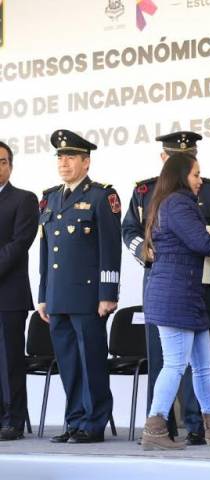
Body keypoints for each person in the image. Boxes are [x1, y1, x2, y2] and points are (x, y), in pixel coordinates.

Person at [121, 131, 210, 445]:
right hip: (175, 295)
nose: (200, 179)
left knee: (203, 366)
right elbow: (202, 242)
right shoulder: (176, 202)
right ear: (181, 174)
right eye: (195, 174)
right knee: (173, 364)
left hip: (192, 293)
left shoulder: (185, 198)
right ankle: (156, 428)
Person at [37, 130, 121, 444]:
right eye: (60, 157)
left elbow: (110, 248)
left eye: (70, 157)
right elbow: (46, 253)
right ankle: (74, 421)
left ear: (86, 162)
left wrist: (107, 294)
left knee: (92, 363)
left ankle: (93, 423)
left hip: (88, 298)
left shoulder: (101, 196)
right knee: (69, 365)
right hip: (58, 297)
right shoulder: (50, 198)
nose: (63, 162)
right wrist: (43, 295)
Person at [0, 141, 38, 441]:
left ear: (10, 166)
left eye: (2, 161)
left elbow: (19, 243)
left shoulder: (24, 199)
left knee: (9, 362)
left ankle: (13, 420)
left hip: (8, 296)